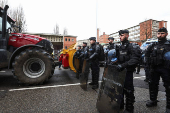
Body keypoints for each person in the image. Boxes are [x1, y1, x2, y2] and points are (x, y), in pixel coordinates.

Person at [145, 27, 170, 113]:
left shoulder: (169, 44)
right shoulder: (153, 45)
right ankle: (153, 100)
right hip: (154, 69)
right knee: (152, 85)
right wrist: (147, 65)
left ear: (166, 34)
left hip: (166, 69)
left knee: (168, 87)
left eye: (162, 33)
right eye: (159, 33)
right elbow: (146, 55)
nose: (160, 35)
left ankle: (169, 106)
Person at [116, 30, 141, 113]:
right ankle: (120, 104)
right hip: (120, 71)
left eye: (122, 35)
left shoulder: (133, 46)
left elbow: (135, 59)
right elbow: (118, 58)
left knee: (128, 90)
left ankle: (129, 108)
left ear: (127, 36)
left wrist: (123, 65)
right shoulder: (119, 47)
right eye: (119, 35)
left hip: (128, 71)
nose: (120, 37)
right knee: (120, 88)